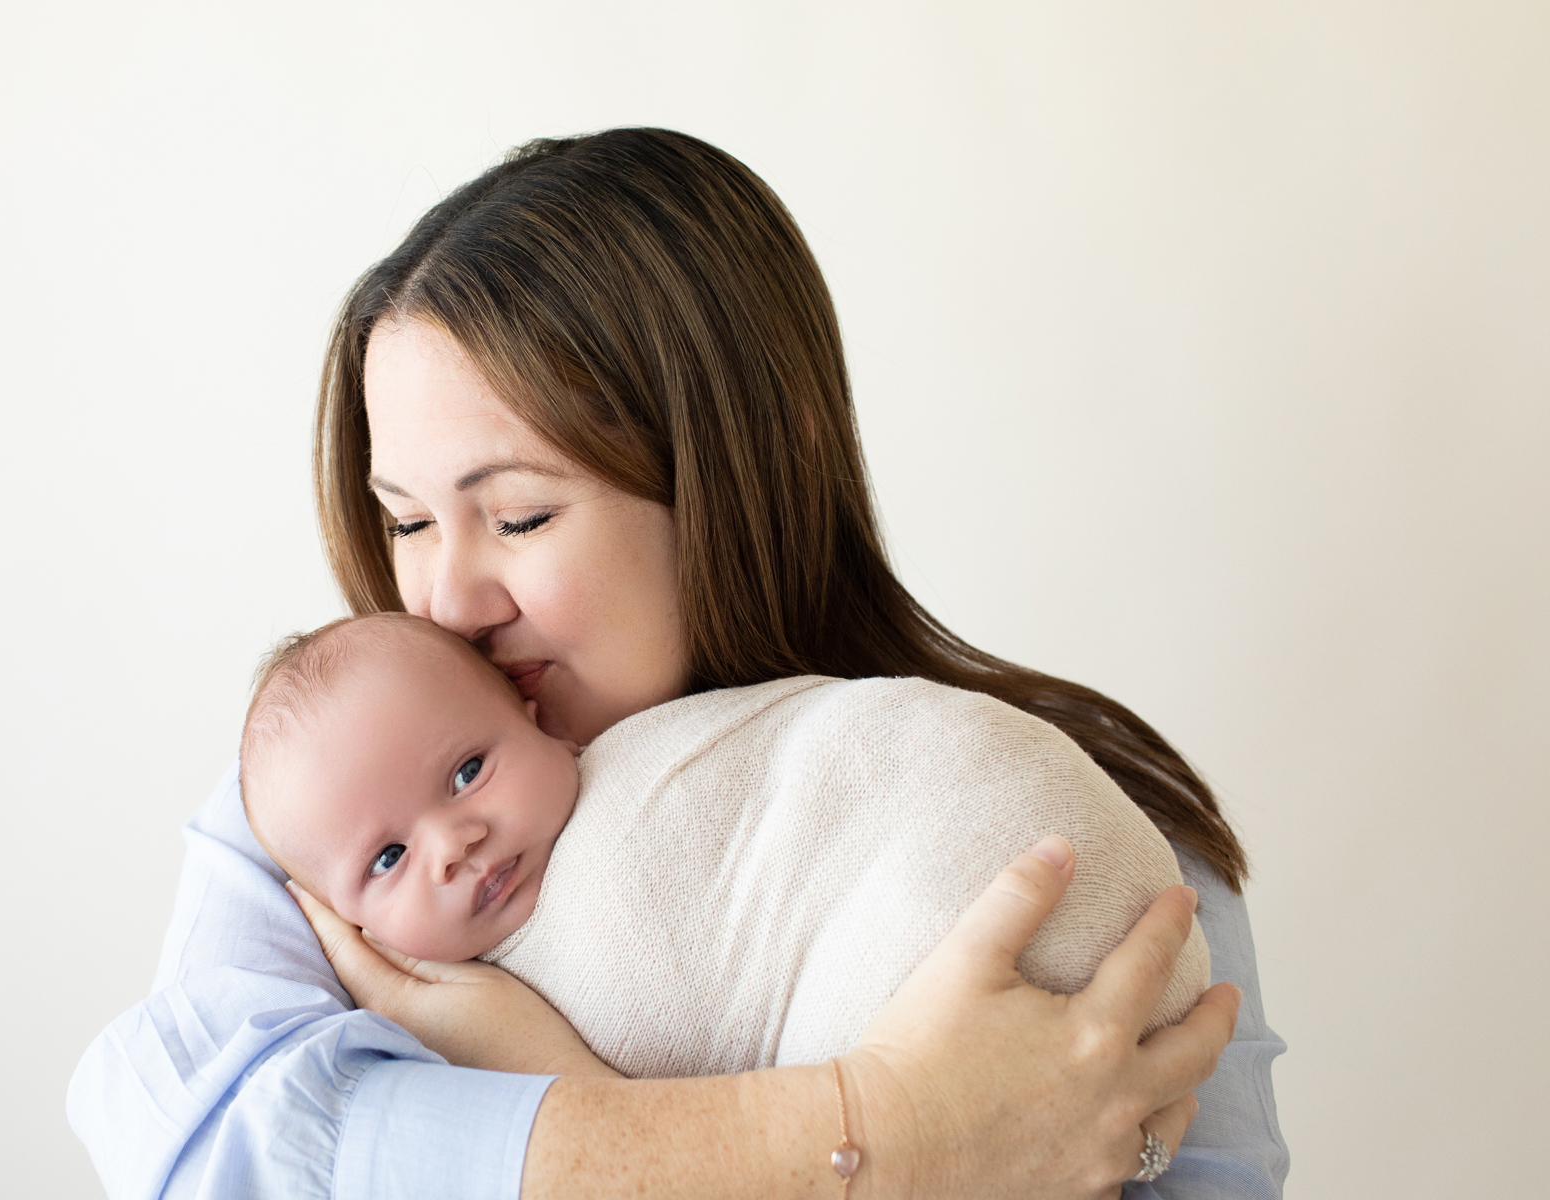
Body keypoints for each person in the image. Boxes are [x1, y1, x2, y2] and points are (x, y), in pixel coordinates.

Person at [68, 127, 1287, 1199]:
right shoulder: (339, 801)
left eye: (521, 516)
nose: (444, 597)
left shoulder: (1074, 823)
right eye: (405, 521)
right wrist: (877, 1138)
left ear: (754, 462)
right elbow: (217, 1159)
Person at [238, 611, 1212, 1078]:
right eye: (388, 860)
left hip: (1022, 879)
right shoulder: (331, 949)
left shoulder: (652, 784)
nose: (454, 842)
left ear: (537, 718)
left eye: (466, 773)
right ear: (344, 921)